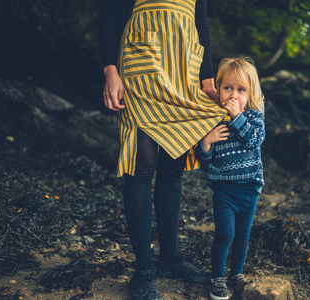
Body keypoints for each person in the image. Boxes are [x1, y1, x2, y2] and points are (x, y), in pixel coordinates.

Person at [100, 1, 228, 299]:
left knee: (173, 169)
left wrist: (207, 79)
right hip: (141, 59)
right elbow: (112, 11)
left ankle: (170, 259)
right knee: (141, 165)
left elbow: (202, 25)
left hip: (184, 66)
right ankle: (144, 270)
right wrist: (110, 69)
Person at [196, 57, 265, 300]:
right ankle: (217, 277)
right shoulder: (213, 118)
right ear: (219, 88)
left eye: (240, 90)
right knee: (225, 234)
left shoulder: (254, 117)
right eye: (228, 88)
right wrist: (206, 141)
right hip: (224, 190)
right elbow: (204, 159)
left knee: (242, 237)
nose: (233, 95)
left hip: (249, 188)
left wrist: (237, 117)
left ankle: (236, 273)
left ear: (250, 93)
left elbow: (254, 140)